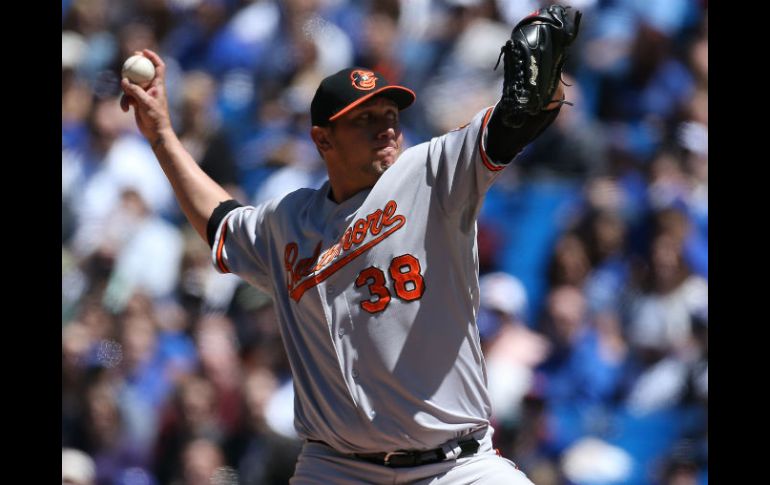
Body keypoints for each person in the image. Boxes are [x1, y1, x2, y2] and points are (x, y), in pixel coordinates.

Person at [120, 19, 570, 482]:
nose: (385, 127)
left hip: (456, 464)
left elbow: (512, 125)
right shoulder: (288, 222)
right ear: (322, 139)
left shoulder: (431, 172)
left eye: (390, 115)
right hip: (337, 468)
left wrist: (542, 90)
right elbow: (220, 222)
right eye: (365, 118)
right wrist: (160, 134)